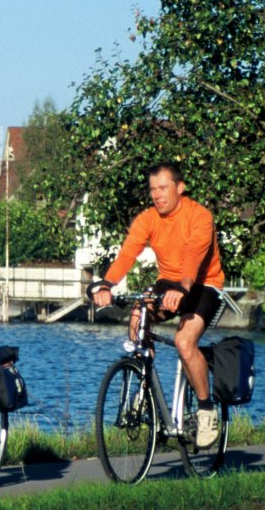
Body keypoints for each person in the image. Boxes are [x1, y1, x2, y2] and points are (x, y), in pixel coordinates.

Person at [90, 162, 225, 448]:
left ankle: (205, 410)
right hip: (169, 281)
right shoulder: (148, 218)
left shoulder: (199, 215)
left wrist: (184, 288)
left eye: (163, 188)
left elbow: (194, 255)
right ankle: (144, 381)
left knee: (184, 342)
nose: (157, 195)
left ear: (180, 187)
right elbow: (128, 253)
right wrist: (106, 284)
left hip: (203, 283)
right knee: (138, 314)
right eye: (152, 190)